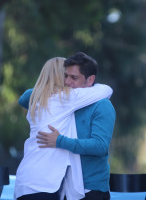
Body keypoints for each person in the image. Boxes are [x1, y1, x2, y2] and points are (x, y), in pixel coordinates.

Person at [19, 52, 116, 200]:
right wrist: (48, 88)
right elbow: (25, 97)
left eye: (73, 77)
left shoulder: (101, 105)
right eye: (65, 76)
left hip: (91, 188)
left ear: (90, 80)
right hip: (64, 187)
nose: (68, 82)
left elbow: (100, 146)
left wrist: (60, 141)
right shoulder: (64, 100)